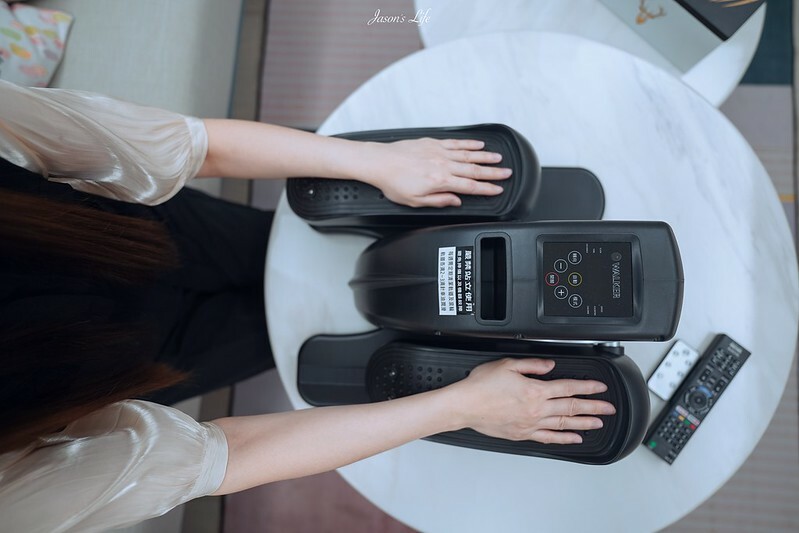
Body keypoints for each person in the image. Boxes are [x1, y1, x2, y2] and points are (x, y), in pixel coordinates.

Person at [0, 79, 616, 532]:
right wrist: (463, 405)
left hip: (124, 232)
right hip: (129, 363)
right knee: (280, 338)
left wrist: (375, 161)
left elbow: (194, 148)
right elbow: (228, 457)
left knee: (275, 252)